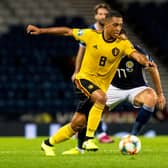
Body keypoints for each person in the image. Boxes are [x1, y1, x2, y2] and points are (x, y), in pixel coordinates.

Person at [26, 10, 155, 156]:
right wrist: (41, 30)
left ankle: (48, 143)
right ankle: (89, 139)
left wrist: (145, 61)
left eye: (120, 25)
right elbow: (67, 32)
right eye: (115, 25)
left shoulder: (123, 44)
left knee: (78, 123)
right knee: (101, 98)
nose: (118, 28)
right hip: (83, 80)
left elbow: (136, 55)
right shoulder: (90, 35)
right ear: (106, 24)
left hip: (99, 87)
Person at [62, 32, 166, 155]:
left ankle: (133, 136)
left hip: (137, 88)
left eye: (124, 40)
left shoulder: (138, 52)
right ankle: (79, 147)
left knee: (151, 98)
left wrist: (160, 94)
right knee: (89, 111)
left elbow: (153, 68)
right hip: (113, 88)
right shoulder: (108, 50)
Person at [71, 3, 114, 145]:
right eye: (100, 14)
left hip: (103, 76)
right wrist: (76, 72)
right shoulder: (89, 32)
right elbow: (80, 53)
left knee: (97, 105)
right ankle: (99, 133)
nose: (102, 16)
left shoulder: (111, 32)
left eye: (105, 14)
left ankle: (79, 132)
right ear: (95, 16)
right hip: (88, 76)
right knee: (95, 102)